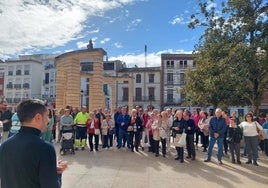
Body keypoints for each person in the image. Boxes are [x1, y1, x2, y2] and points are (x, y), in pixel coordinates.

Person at [0, 99, 67, 188]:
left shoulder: (5, 145)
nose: (48, 120)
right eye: (47, 115)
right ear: (38, 117)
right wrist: (57, 174)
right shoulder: (45, 148)